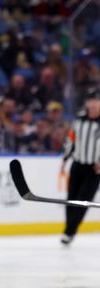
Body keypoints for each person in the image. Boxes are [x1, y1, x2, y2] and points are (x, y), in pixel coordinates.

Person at [59, 88, 100, 246]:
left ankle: (69, 232)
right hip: (77, 165)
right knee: (71, 200)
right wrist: (64, 159)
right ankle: (69, 230)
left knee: (83, 202)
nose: (93, 104)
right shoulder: (79, 120)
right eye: (90, 100)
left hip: (94, 169)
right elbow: (71, 140)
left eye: (96, 100)